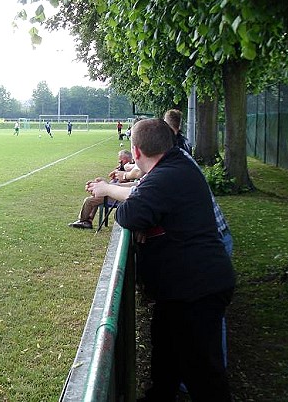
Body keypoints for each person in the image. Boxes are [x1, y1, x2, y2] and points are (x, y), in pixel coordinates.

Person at [88, 119, 234, 402]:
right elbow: (144, 202)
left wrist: (138, 213)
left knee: (204, 373)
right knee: (165, 349)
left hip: (198, 289)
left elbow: (130, 214)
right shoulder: (174, 165)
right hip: (183, 289)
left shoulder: (168, 174)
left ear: (137, 152)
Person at [68, 149, 133, 229]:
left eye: (120, 160)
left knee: (89, 201)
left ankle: (83, 221)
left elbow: (121, 186)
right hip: (114, 193)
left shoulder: (130, 171)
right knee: (95, 197)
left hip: (118, 196)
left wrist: (108, 184)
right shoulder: (124, 169)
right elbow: (113, 181)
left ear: (125, 159)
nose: (119, 162)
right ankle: (88, 221)